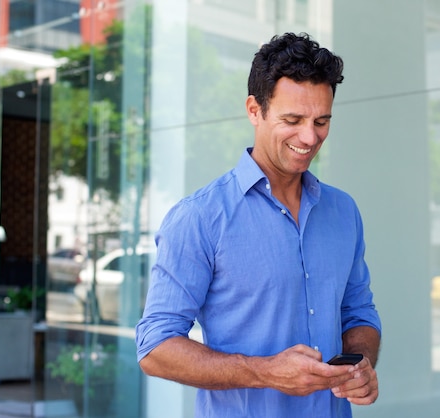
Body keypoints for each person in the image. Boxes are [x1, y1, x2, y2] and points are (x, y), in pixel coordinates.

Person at [135, 32, 382, 418]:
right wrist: (264, 372)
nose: (310, 136)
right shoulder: (200, 217)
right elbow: (155, 349)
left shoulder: (344, 211)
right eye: (293, 119)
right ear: (255, 110)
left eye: (321, 120)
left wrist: (362, 363)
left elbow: (359, 313)